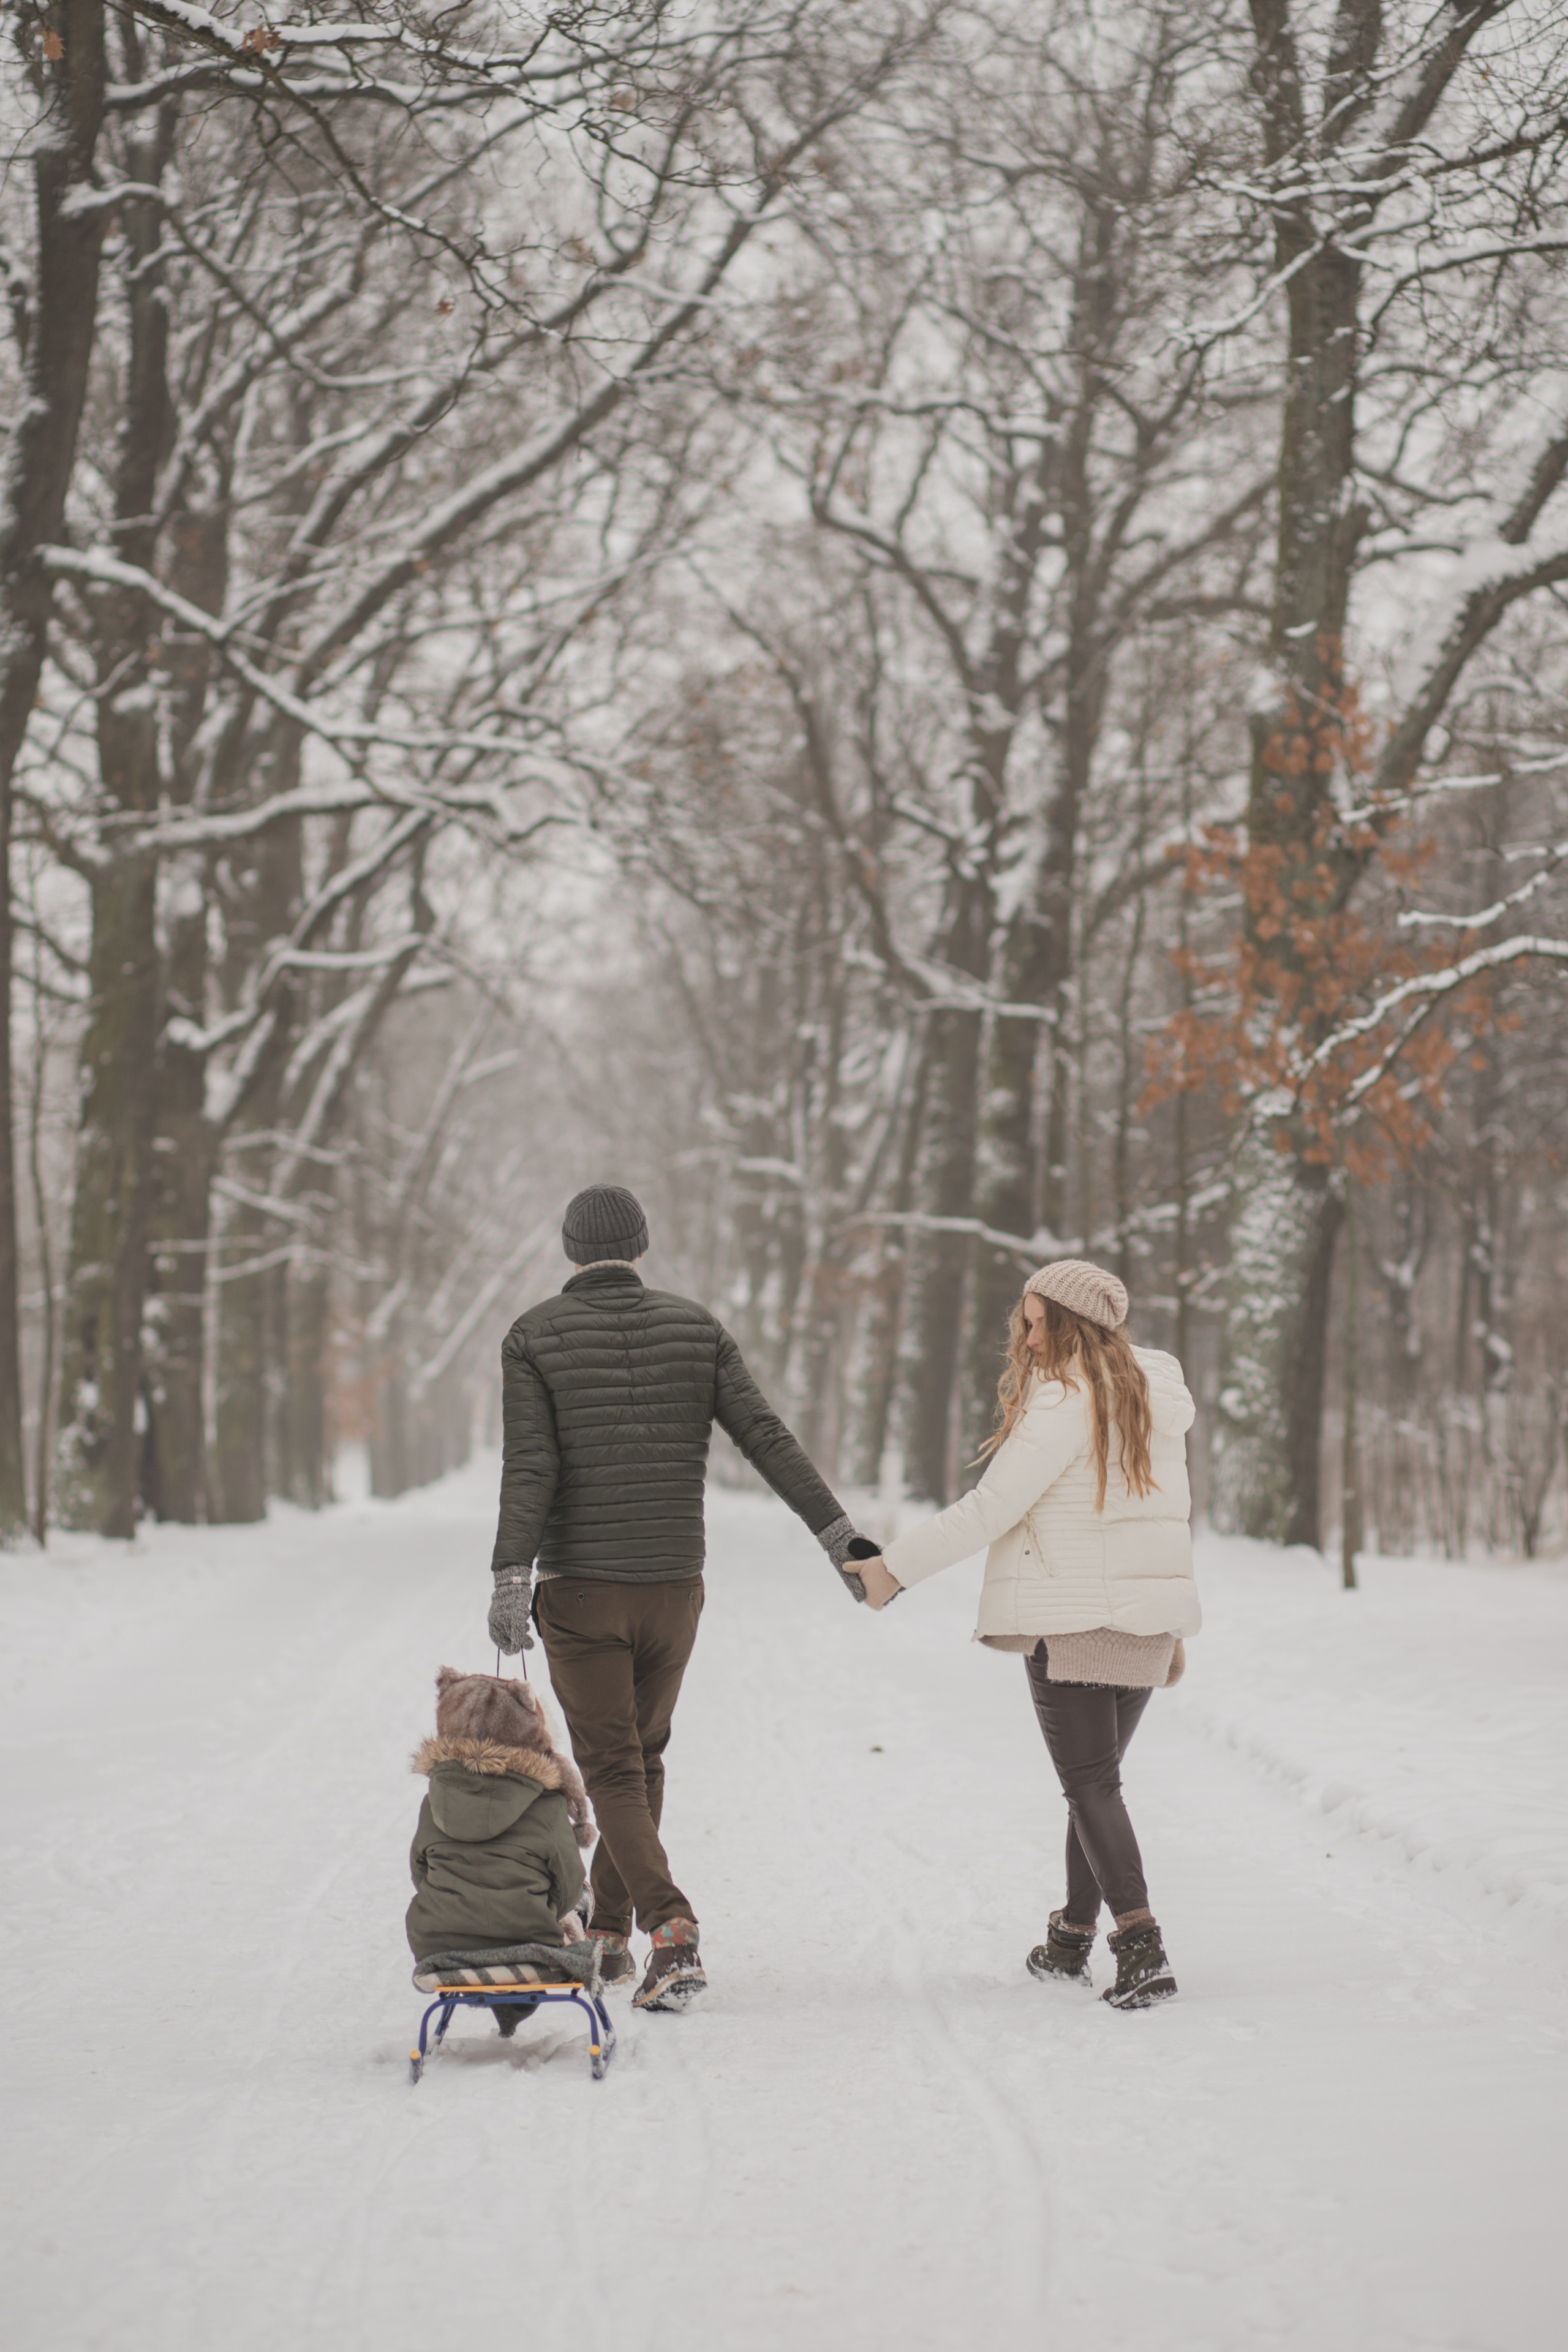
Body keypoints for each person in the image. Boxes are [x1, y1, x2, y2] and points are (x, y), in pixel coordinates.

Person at [486, 1182, 869, 2013]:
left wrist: (511, 1573)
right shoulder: (698, 1330)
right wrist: (839, 1535)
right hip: (674, 1590)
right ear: (643, 1245)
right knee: (642, 1760)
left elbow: (532, 1467)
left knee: (616, 1766)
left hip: (583, 1591)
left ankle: (672, 1931)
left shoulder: (534, 1337)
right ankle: (609, 1936)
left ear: (569, 1252)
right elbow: (765, 1436)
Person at [854, 1258, 1199, 2010]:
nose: (1028, 1339)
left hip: (1070, 1620)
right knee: (1096, 1788)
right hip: (1141, 1624)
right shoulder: (1154, 1393)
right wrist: (1167, 1621)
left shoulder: (1065, 1397)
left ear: (1069, 1323)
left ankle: (1141, 1950)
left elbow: (990, 1509)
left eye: (1037, 1322)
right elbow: (1166, 1519)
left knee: (1091, 1785)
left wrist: (892, 1572)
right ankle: (1072, 1936)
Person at [406, 1667, 594, 2035]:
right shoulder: (547, 1804)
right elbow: (569, 1885)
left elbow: (420, 1873)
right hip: (529, 1940)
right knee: (581, 1899)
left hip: (439, 1945)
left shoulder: (434, 1804)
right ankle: (516, 1999)